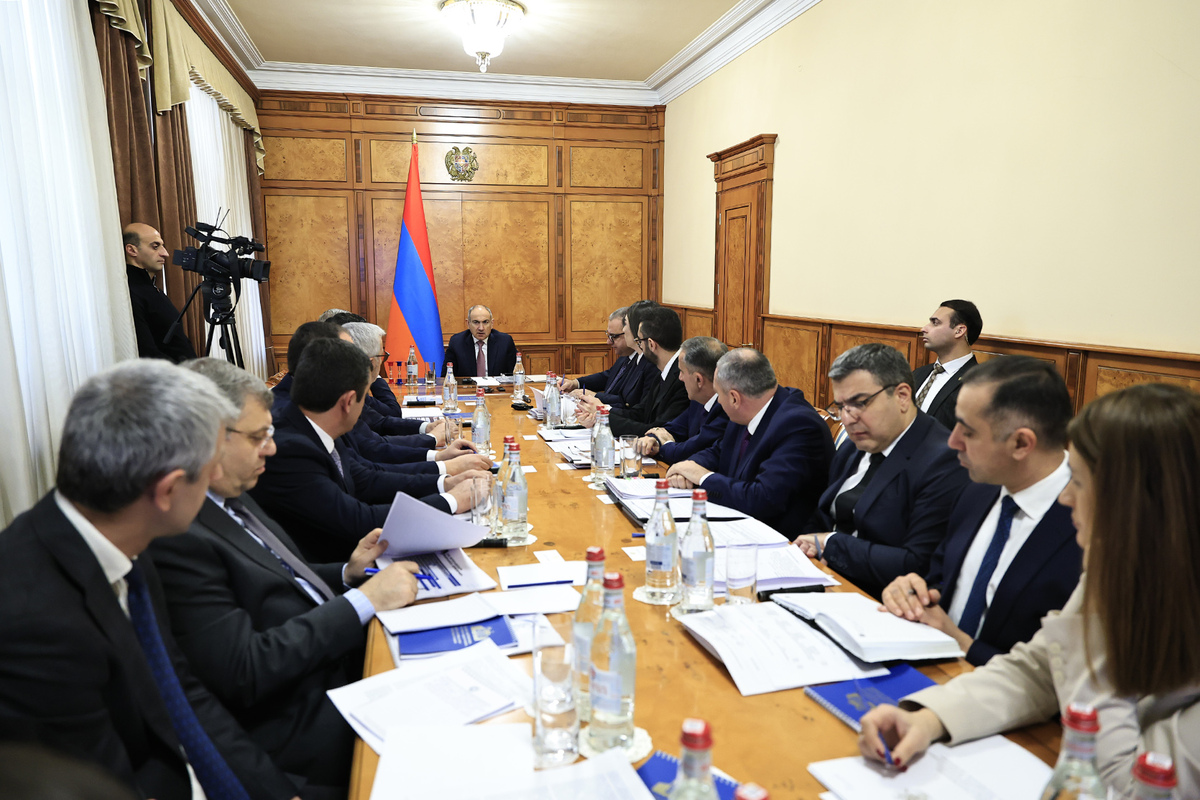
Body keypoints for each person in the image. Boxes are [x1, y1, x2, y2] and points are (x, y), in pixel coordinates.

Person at [860, 383, 1200, 798]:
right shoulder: (1126, 569)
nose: (1065, 497)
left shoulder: (1111, 571)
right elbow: (1039, 669)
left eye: (1078, 482)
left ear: (1135, 505)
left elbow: (1122, 786)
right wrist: (929, 718)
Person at [0, 360, 299, 800]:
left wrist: (273, 792)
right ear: (168, 490)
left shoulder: (122, 536)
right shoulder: (36, 627)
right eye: (211, 467)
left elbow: (179, 690)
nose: (217, 477)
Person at [149, 359, 422, 798]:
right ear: (208, 438)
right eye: (258, 437)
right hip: (305, 729)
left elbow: (282, 579)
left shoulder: (231, 494)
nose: (271, 449)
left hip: (338, 671)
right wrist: (364, 600)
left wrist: (349, 572)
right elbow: (245, 670)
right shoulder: (177, 536)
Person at [878, 356, 1081, 665]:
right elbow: (941, 577)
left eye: (969, 432)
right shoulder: (978, 487)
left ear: (1021, 444)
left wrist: (963, 645)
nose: (953, 441)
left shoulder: (1087, 525)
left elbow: (1064, 670)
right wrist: (914, 592)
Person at [250, 338, 490, 562]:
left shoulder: (317, 426)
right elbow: (358, 520)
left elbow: (367, 478)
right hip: (334, 565)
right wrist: (452, 501)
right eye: (365, 397)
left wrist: (445, 483)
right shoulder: (290, 448)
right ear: (348, 402)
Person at [797, 344, 969, 597]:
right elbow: (822, 517)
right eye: (841, 406)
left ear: (902, 396)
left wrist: (831, 544)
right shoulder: (855, 444)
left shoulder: (944, 460)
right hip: (820, 578)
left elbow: (917, 563)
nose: (848, 418)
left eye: (859, 403)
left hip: (881, 599)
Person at [665, 349, 833, 534]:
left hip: (779, 537)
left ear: (734, 398)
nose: (718, 402)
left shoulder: (798, 425)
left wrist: (703, 477)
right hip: (741, 523)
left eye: (719, 394)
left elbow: (763, 499)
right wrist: (688, 468)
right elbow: (720, 451)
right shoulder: (752, 408)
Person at [578, 305, 689, 437]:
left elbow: (658, 431)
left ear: (651, 344)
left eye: (639, 341)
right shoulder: (664, 370)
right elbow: (640, 413)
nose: (638, 347)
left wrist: (602, 415)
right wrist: (602, 413)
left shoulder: (682, 378)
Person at [341, 321, 448, 444]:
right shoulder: (346, 392)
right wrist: (433, 438)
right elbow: (373, 446)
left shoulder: (350, 387)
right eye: (382, 355)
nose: (382, 361)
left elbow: (378, 423)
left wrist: (426, 427)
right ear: (371, 362)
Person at [636, 336, 729, 465]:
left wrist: (664, 446)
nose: (680, 378)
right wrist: (653, 439)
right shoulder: (698, 400)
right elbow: (674, 428)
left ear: (698, 380)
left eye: (682, 372)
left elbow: (689, 450)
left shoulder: (726, 409)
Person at [124, 222, 196, 363]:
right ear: (132, 250)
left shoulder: (151, 289)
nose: (165, 253)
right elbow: (147, 353)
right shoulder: (131, 293)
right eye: (155, 246)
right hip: (170, 374)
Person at [911, 300, 982, 430]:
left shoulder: (978, 383)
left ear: (959, 331)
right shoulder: (919, 373)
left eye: (935, 323)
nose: (924, 329)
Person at [560, 307, 644, 407]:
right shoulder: (626, 354)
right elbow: (608, 376)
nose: (608, 342)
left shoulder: (645, 363)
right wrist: (575, 383)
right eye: (608, 335)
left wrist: (595, 396)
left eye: (614, 337)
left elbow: (628, 402)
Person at [442, 304, 517, 377]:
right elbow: (446, 376)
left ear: (492, 323)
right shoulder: (457, 342)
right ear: (468, 323)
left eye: (485, 322)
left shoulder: (505, 342)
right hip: (468, 385)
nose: (481, 328)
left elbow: (515, 375)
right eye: (476, 322)